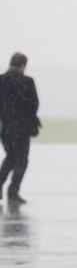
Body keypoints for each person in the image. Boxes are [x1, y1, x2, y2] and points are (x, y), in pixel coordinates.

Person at [0, 52, 40, 203]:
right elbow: (34, 105)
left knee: (10, 157)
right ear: (23, 65)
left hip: (5, 128)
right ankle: (13, 192)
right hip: (22, 129)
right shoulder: (28, 82)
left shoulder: (1, 80)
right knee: (21, 161)